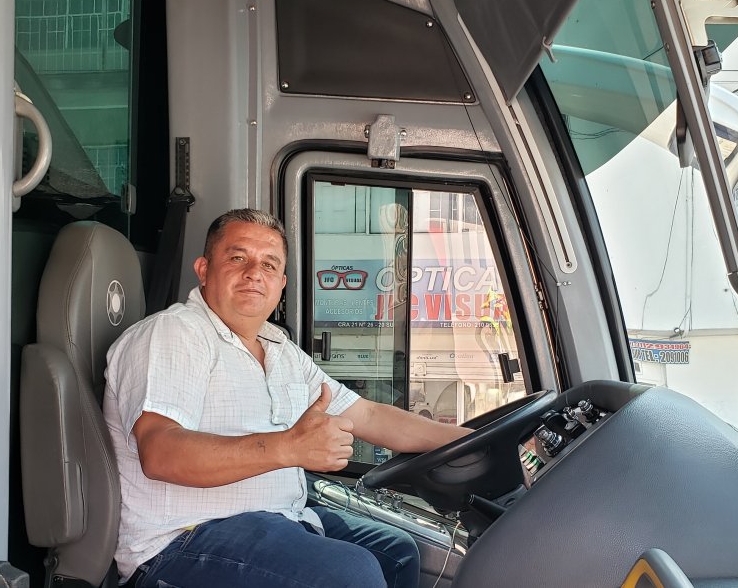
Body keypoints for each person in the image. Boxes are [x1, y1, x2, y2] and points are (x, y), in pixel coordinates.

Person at [104, 208, 472, 588]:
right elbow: (160, 453)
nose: (253, 273)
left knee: (396, 552)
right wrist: (287, 448)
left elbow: (369, 415)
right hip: (181, 541)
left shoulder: (279, 348)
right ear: (203, 269)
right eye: (237, 258)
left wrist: (468, 441)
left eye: (268, 264)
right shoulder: (173, 334)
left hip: (277, 518)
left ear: (280, 282)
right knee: (351, 573)